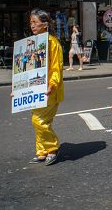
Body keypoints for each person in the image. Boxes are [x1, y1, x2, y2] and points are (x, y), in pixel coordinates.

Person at [20, 9, 64, 165]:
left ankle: (52, 148)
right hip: (34, 88)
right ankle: (42, 150)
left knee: (39, 120)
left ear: (44, 24)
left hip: (49, 90)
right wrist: (19, 89)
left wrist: (52, 84)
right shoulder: (32, 42)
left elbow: (56, 67)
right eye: (31, 22)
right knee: (39, 120)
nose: (32, 25)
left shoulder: (52, 43)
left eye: (34, 22)